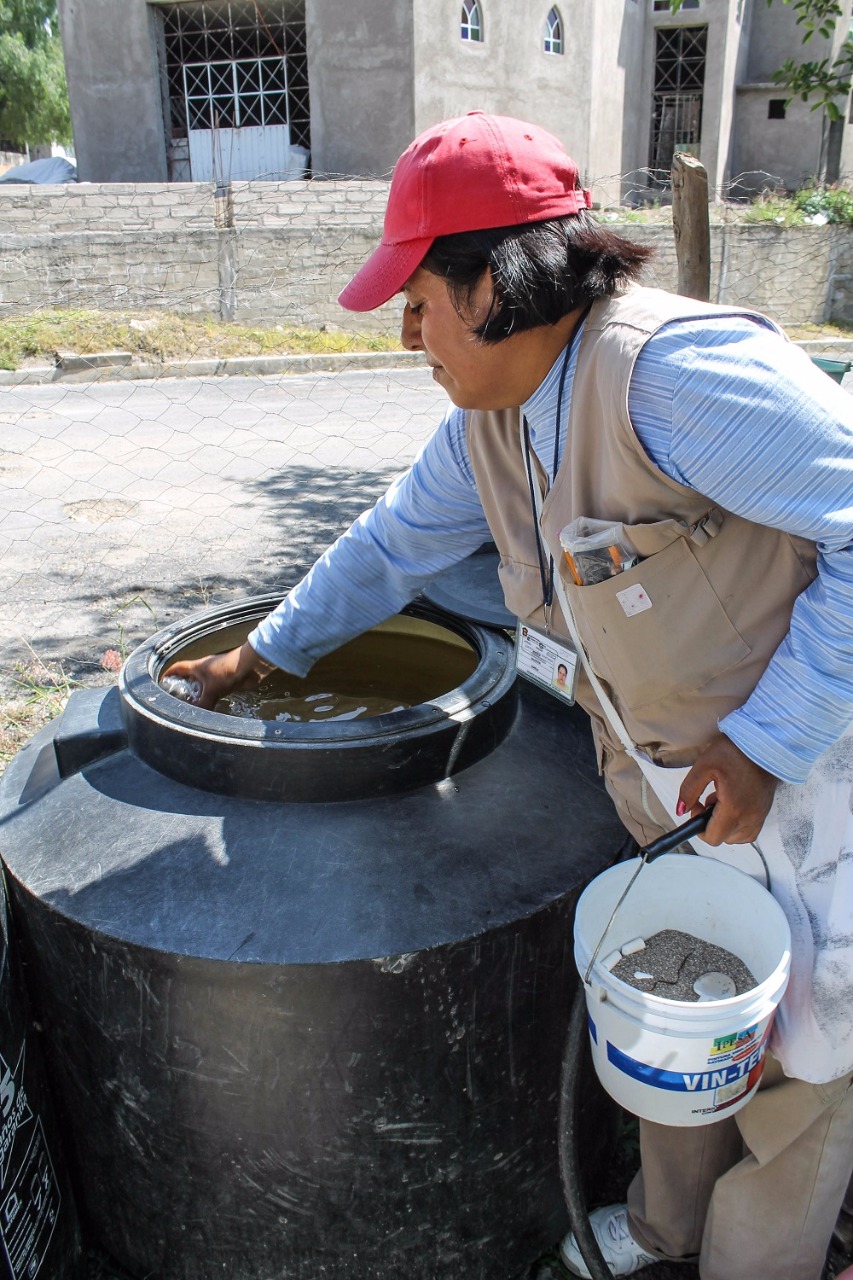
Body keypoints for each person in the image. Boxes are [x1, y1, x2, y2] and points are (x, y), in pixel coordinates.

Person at [164, 112, 853, 1280]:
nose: (406, 334)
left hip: (807, 789)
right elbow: (386, 549)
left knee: (800, 1064)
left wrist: (767, 740)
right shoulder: (489, 425)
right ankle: (667, 1227)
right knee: (676, 1014)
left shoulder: (670, 376)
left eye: (420, 301)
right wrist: (257, 660)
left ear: (496, 282)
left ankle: (757, 1258)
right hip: (675, 788)